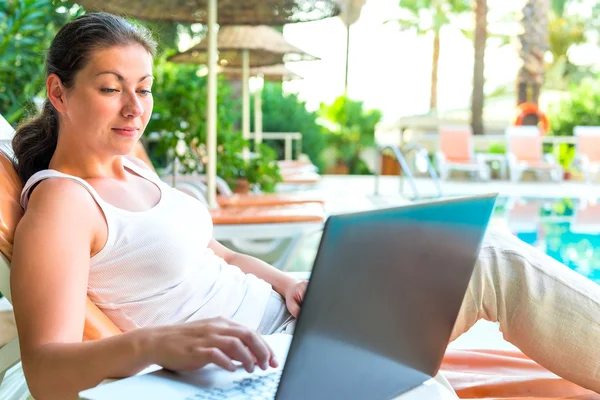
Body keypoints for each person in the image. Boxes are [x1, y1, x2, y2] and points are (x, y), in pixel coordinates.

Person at [8, 12, 600, 400]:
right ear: (60, 92)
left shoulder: (134, 166)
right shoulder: (63, 204)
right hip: (268, 364)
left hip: (297, 320)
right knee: (494, 261)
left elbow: (211, 251)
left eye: (144, 88)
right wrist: (155, 345)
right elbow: (44, 369)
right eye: (111, 88)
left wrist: (284, 279)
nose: (135, 108)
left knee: (480, 253)